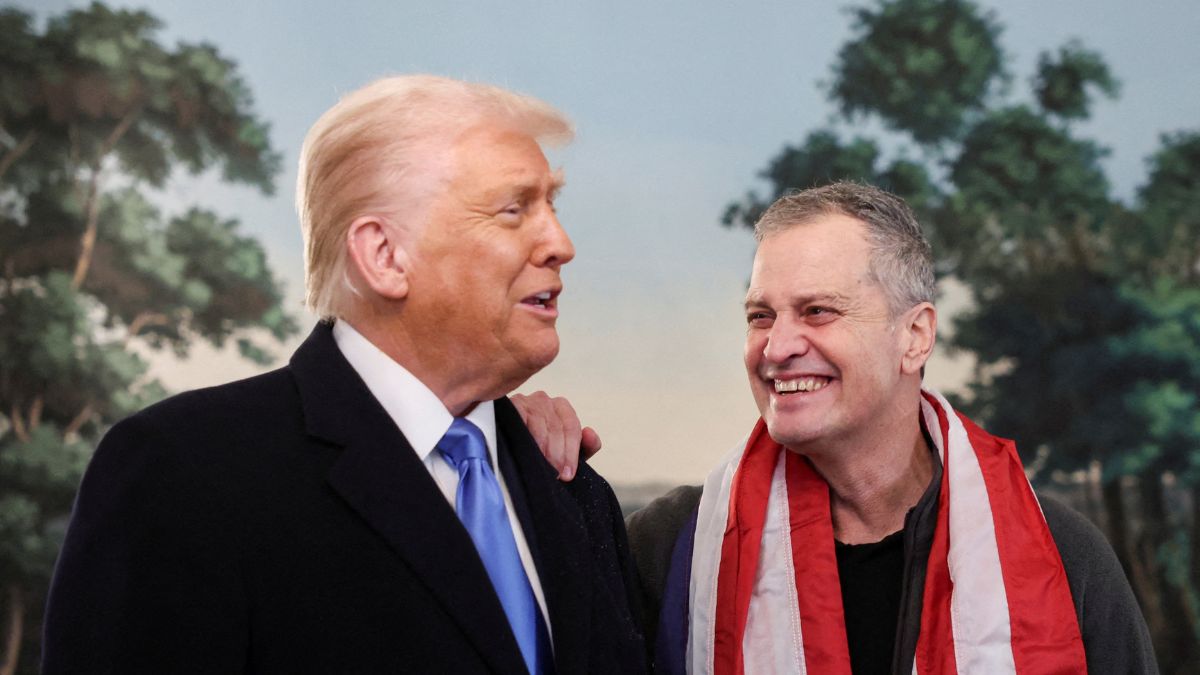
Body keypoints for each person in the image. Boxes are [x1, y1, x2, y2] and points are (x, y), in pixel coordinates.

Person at [42, 75, 646, 674]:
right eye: (514, 210)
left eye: (552, 205)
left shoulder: (574, 491)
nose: (560, 243)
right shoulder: (184, 475)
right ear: (383, 256)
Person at [524, 182, 1157, 674]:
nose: (777, 347)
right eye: (760, 315)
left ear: (915, 336)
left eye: (818, 311)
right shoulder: (674, 549)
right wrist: (508, 458)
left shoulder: (1060, 557)